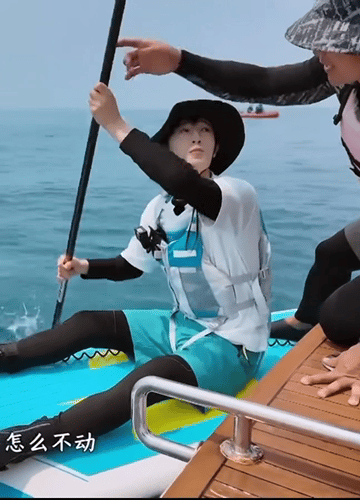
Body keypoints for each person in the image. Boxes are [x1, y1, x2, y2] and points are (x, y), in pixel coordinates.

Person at [116, 0, 360, 406]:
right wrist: (180, 61)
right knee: (331, 255)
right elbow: (266, 83)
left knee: (340, 321)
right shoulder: (350, 72)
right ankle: (302, 322)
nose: (317, 51)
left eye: (327, 41)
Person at [0, 91, 271, 469]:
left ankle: (20, 441)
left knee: (149, 379)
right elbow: (130, 265)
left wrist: (115, 124)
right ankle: (7, 357)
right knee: (89, 322)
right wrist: (84, 267)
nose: (196, 136)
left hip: (233, 345)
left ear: (216, 147)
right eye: (185, 130)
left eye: (205, 130)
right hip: (182, 325)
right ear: (169, 147)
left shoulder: (236, 194)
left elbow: (183, 181)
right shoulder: (160, 208)